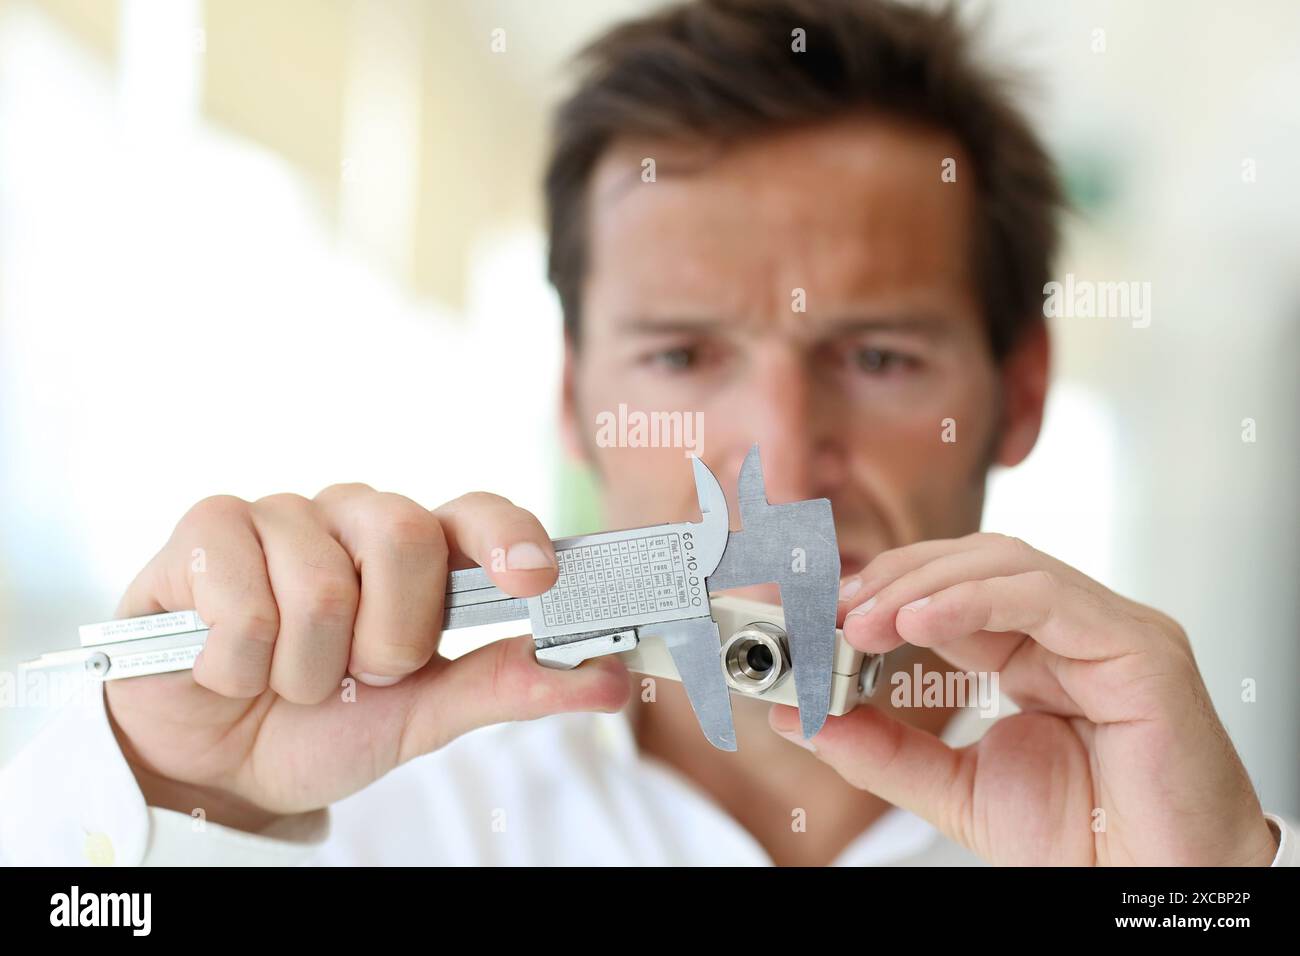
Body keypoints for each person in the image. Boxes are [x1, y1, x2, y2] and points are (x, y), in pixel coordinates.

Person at [1, 0, 1294, 867]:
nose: (779, 473)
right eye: (681, 357)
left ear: (1018, 396)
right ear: (572, 397)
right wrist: (161, 787)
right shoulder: (368, 815)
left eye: (880, 357)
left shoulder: (1163, 841)